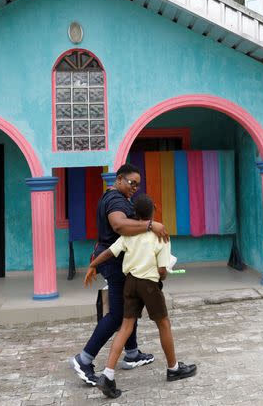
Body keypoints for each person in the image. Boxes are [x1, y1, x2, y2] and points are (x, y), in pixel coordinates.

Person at [85, 193, 197, 398]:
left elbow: (110, 252)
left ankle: (108, 375)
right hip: (149, 285)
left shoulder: (128, 234)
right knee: (163, 324)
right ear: (153, 211)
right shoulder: (160, 235)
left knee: (126, 326)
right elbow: (162, 270)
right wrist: (163, 274)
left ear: (134, 213)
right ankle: (173, 368)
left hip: (129, 284)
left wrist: (93, 264)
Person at [69, 163, 169, 386]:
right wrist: (150, 224)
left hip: (114, 259)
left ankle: (132, 353)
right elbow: (118, 225)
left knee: (128, 310)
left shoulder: (117, 197)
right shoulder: (115, 200)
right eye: (132, 183)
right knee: (117, 315)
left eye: (138, 185)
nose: (135, 187)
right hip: (115, 264)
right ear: (120, 179)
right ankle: (84, 359)